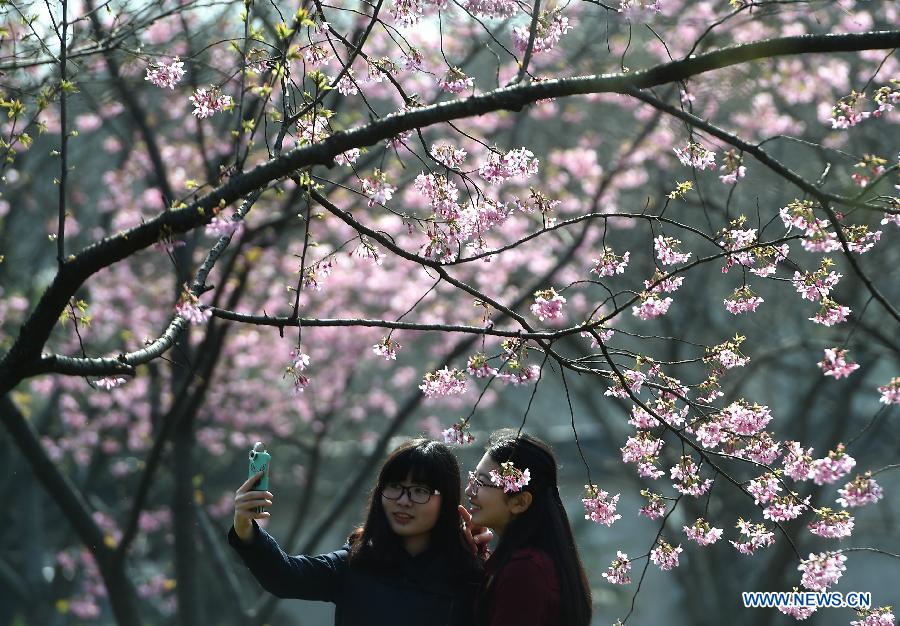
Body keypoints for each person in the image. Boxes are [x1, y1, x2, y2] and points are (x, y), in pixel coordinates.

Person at [229, 438, 482, 626]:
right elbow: (285, 577)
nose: (403, 500)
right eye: (394, 486)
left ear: (446, 500)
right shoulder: (357, 563)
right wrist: (245, 528)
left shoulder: (467, 574)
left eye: (420, 491)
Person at [462, 429, 592, 626]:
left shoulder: (525, 570)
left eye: (482, 483)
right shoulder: (527, 563)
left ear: (520, 502)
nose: (469, 491)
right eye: (473, 479)